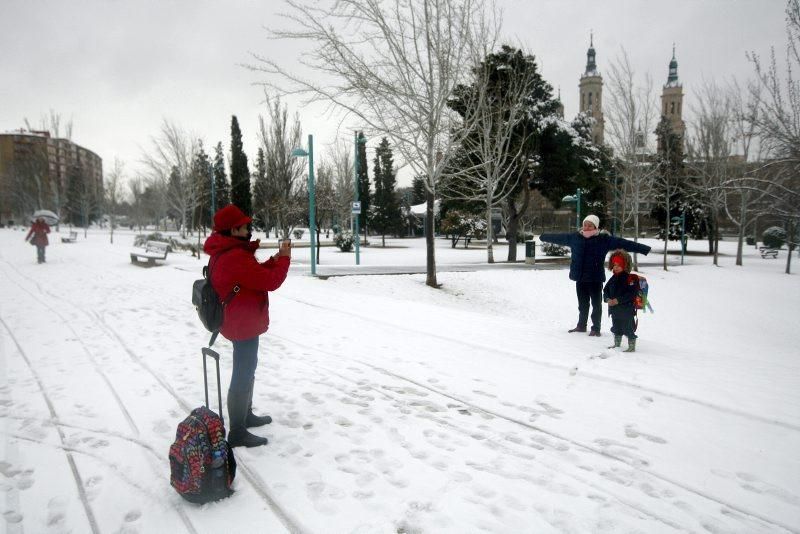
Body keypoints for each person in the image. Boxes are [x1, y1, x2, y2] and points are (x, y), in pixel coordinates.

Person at [203, 204, 291, 448]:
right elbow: (270, 281)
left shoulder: (227, 252)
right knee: (243, 371)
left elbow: (252, 275)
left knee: (248, 367)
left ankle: (245, 415)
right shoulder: (234, 256)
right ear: (233, 230)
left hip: (237, 319)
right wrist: (284, 259)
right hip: (242, 323)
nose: (248, 230)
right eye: (245, 227)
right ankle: (238, 430)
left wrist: (274, 259)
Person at [540, 215, 651, 336]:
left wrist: (644, 249)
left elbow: (623, 243)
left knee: (596, 305)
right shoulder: (575, 237)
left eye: (590, 225)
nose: (587, 227)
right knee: (582, 304)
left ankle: (596, 328)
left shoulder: (603, 240)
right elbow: (559, 238)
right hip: (580, 277)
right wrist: (543, 236)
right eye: (585, 224)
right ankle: (581, 326)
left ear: (595, 226)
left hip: (595, 278)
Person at [603, 249, 638, 352]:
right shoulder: (613, 278)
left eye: (619, 265)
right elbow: (606, 290)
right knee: (616, 327)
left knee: (628, 328)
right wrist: (607, 298)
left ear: (625, 265)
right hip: (614, 310)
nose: (616, 267)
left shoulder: (630, 278)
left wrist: (618, 300)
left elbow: (631, 294)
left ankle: (631, 346)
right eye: (614, 265)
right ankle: (617, 343)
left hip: (626, 310)